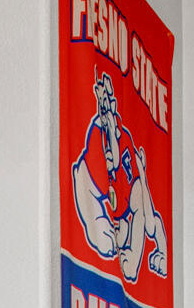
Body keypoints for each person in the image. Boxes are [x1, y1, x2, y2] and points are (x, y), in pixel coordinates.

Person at [72, 70, 168, 285]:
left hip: (129, 190)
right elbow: (87, 177)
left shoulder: (134, 188)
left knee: (146, 219)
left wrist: (147, 253)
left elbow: (146, 217)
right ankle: (98, 221)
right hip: (108, 184)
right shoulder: (99, 140)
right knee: (84, 175)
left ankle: (144, 253)